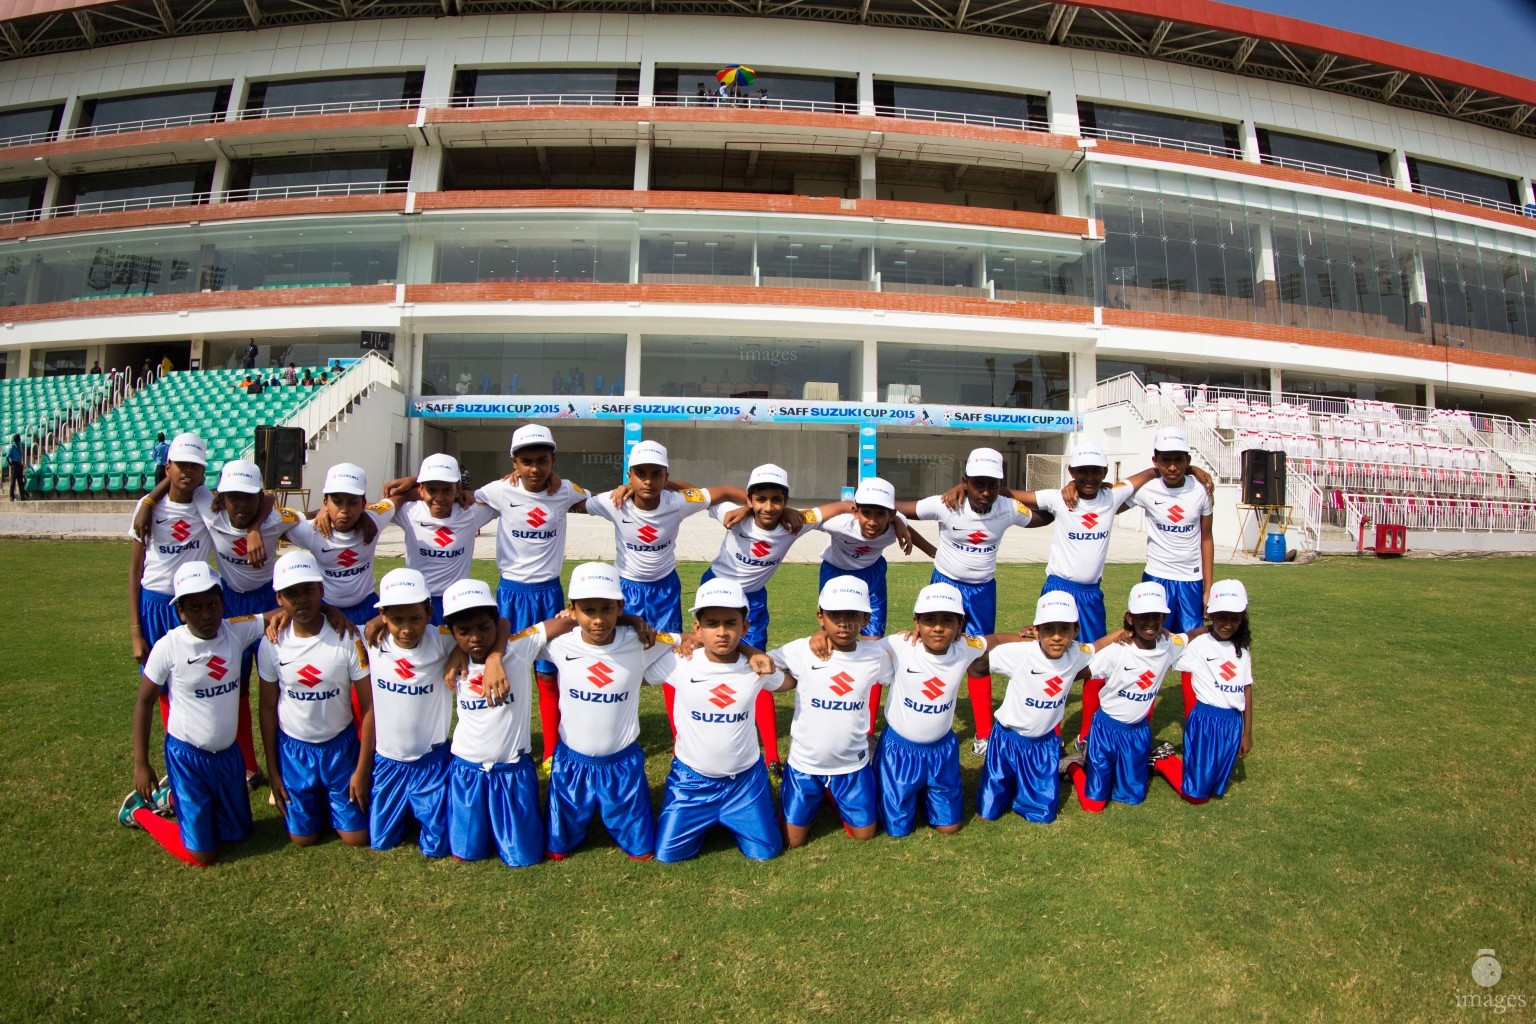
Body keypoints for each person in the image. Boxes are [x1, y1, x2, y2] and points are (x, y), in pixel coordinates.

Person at [895, 447, 1048, 755]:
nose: (985, 492)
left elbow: (1044, 517)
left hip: (982, 592)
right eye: (978, 483)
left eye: (993, 484)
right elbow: (895, 507)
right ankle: (924, 721)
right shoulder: (945, 504)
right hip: (945, 588)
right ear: (964, 481)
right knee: (934, 653)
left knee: (979, 658)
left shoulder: (1007, 507)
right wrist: (901, 524)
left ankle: (983, 733)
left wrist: (1008, 493)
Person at [120, 563, 266, 866]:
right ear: (181, 612)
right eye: (195, 607)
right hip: (188, 759)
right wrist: (140, 762)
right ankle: (139, 812)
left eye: (212, 605)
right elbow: (144, 702)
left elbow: (278, 614)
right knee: (203, 854)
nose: (206, 614)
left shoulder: (235, 630)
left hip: (228, 757)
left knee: (238, 835)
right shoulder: (169, 646)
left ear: (222, 603)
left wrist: (329, 612)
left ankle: (171, 799)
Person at [473, 423, 592, 773]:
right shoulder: (496, 490)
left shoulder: (566, 489)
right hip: (511, 591)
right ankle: (508, 741)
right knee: (504, 667)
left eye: (543, 460)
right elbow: (462, 498)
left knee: (549, 672)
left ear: (554, 460)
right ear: (514, 462)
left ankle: (552, 748)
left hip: (549, 591)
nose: (535, 469)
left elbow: (594, 499)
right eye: (527, 461)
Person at [643, 579, 787, 863]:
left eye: (731, 623)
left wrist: (753, 651)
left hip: (744, 782)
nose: (722, 632)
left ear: (745, 627)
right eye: (711, 623)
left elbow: (789, 682)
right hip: (691, 782)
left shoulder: (757, 667)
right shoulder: (678, 662)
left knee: (767, 852)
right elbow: (629, 662)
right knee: (667, 855)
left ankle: (736, 817)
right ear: (697, 628)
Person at [442, 577, 575, 866]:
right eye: (463, 632)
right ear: (450, 633)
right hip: (467, 771)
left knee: (524, 857)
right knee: (467, 854)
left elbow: (570, 622)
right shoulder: (448, 652)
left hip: (512, 770)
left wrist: (496, 656)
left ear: (495, 623)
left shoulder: (518, 648)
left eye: (483, 628)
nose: (474, 638)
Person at [542, 563, 669, 861]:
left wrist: (749, 652)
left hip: (622, 763)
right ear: (572, 609)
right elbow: (507, 644)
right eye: (588, 610)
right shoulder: (558, 644)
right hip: (572, 763)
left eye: (607, 609)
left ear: (620, 607)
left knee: (642, 851)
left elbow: (690, 640)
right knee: (556, 850)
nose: (598, 620)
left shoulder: (640, 642)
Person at [700, 463, 811, 776]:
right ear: (749, 499)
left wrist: (898, 522)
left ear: (786, 501)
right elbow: (692, 493)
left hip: (754, 601)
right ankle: (705, 737)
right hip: (718, 591)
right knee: (714, 661)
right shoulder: (731, 513)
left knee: (758, 667)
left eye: (777, 500)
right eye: (760, 499)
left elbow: (840, 509)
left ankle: (771, 755)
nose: (769, 506)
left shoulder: (793, 524)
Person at [257, 551, 373, 848]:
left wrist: (361, 770)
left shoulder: (346, 636)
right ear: (278, 599)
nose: (300, 599)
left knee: (356, 838)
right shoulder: (272, 643)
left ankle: (328, 797)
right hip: (295, 750)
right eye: (290, 593)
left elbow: (370, 706)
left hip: (340, 748)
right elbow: (268, 707)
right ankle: (312, 798)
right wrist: (274, 772)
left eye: (308, 589)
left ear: (321, 590)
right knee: (302, 839)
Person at [769, 577, 890, 848]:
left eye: (852, 615)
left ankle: (835, 794)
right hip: (805, 766)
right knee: (792, 841)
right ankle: (816, 793)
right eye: (834, 615)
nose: (844, 623)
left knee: (866, 835)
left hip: (852, 766)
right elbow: (762, 661)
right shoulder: (802, 650)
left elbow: (912, 655)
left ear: (866, 618)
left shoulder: (877, 655)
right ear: (820, 617)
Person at [1063, 582, 1202, 812]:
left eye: (1156, 616)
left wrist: (1211, 628)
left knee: (1132, 797)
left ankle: (1159, 760)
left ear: (1163, 618)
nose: (1150, 622)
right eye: (1143, 616)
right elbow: (1076, 673)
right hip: (1106, 731)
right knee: (1093, 804)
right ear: (1130, 618)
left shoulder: (1168, 644)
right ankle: (1072, 766)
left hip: (1137, 733)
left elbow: (1190, 636)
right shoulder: (1118, 650)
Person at [975, 593, 1112, 825]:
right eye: (1048, 629)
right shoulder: (1020, 653)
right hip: (1007, 741)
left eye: (1064, 629)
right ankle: (1007, 785)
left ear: (1075, 631)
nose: (1057, 637)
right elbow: (977, 663)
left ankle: (1063, 768)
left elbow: (1097, 646)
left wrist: (1122, 634)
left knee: (1043, 816)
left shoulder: (1077, 653)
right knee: (987, 814)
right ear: (1036, 631)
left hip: (1043, 746)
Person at [864, 583, 987, 838]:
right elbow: (858, 648)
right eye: (929, 620)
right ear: (916, 623)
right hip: (899, 751)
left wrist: (1033, 636)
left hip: (942, 750)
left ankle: (927, 795)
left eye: (947, 620)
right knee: (897, 830)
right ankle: (909, 793)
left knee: (949, 828)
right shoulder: (900, 644)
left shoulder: (965, 647)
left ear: (960, 626)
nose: (939, 627)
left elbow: (994, 641)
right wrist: (821, 638)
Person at [582, 440, 733, 635]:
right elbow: (577, 502)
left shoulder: (677, 502)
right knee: (625, 645)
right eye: (640, 474)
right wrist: (553, 482)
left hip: (665, 587)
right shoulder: (615, 502)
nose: (648, 481)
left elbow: (725, 492)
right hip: (625, 586)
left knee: (667, 647)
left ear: (666, 476)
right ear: (629, 476)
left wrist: (760, 506)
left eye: (656, 474)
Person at [1151, 579, 1255, 802]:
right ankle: (1163, 761)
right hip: (1205, 722)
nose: (1227, 624)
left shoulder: (1242, 649)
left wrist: (1247, 732)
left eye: (1234, 618)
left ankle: (1199, 777)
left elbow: (1246, 689)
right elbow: (1166, 650)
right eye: (1221, 617)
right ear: (1210, 615)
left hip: (1232, 723)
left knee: (1215, 789)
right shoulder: (1199, 645)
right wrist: (1203, 629)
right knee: (1195, 795)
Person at [801, 477, 934, 638]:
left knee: (873, 638)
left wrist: (936, 554)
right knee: (835, 634)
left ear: (891, 515)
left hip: (872, 575)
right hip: (835, 573)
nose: (872, 521)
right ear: (855, 512)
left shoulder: (895, 527)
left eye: (879, 514)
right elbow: (804, 519)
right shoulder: (839, 524)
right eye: (866, 513)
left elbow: (910, 532)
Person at [128, 433, 214, 673]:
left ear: (202, 472)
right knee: (158, 684)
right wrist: (136, 631)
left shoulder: (209, 507)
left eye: (194, 466)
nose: (187, 471)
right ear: (168, 468)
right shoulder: (148, 508)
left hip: (192, 605)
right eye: (181, 465)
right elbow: (135, 571)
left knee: (194, 680)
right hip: (153, 604)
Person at [382, 453, 498, 623]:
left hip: (456, 603)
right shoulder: (409, 512)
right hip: (417, 603)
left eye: (447, 490)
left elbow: (509, 495)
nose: (439, 498)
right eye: (432, 490)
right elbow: (369, 509)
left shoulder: (470, 513)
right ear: (421, 489)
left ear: (458, 490)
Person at [286, 463, 397, 626]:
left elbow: (398, 498)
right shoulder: (311, 531)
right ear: (325, 502)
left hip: (367, 607)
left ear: (363, 503)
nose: (344, 510)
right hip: (327, 610)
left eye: (352, 502)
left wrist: (412, 480)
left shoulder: (374, 520)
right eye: (337, 502)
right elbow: (273, 523)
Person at [1128, 427, 1215, 635]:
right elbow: (1109, 501)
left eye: (1179, 460)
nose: (1173, 467)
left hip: (1191, 580)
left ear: (1188, 460)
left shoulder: (1202, 490)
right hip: (1157, 576)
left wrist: (1208, 588)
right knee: (1153, 641)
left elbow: (1207, 539)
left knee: (1191, 644)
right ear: (1155, 461)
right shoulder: (1147, 489)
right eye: (1165, 460)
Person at [6, 433, 24, 501]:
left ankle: (22, 496)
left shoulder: (19, 446)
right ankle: (11, 496)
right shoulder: (12, 447)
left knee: (20, 481)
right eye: (19, 438)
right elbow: (7, 456)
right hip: (14, 464)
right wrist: (10, 464)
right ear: (16, 439)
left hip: (19, 464)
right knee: (13, 481)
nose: (20, 439)